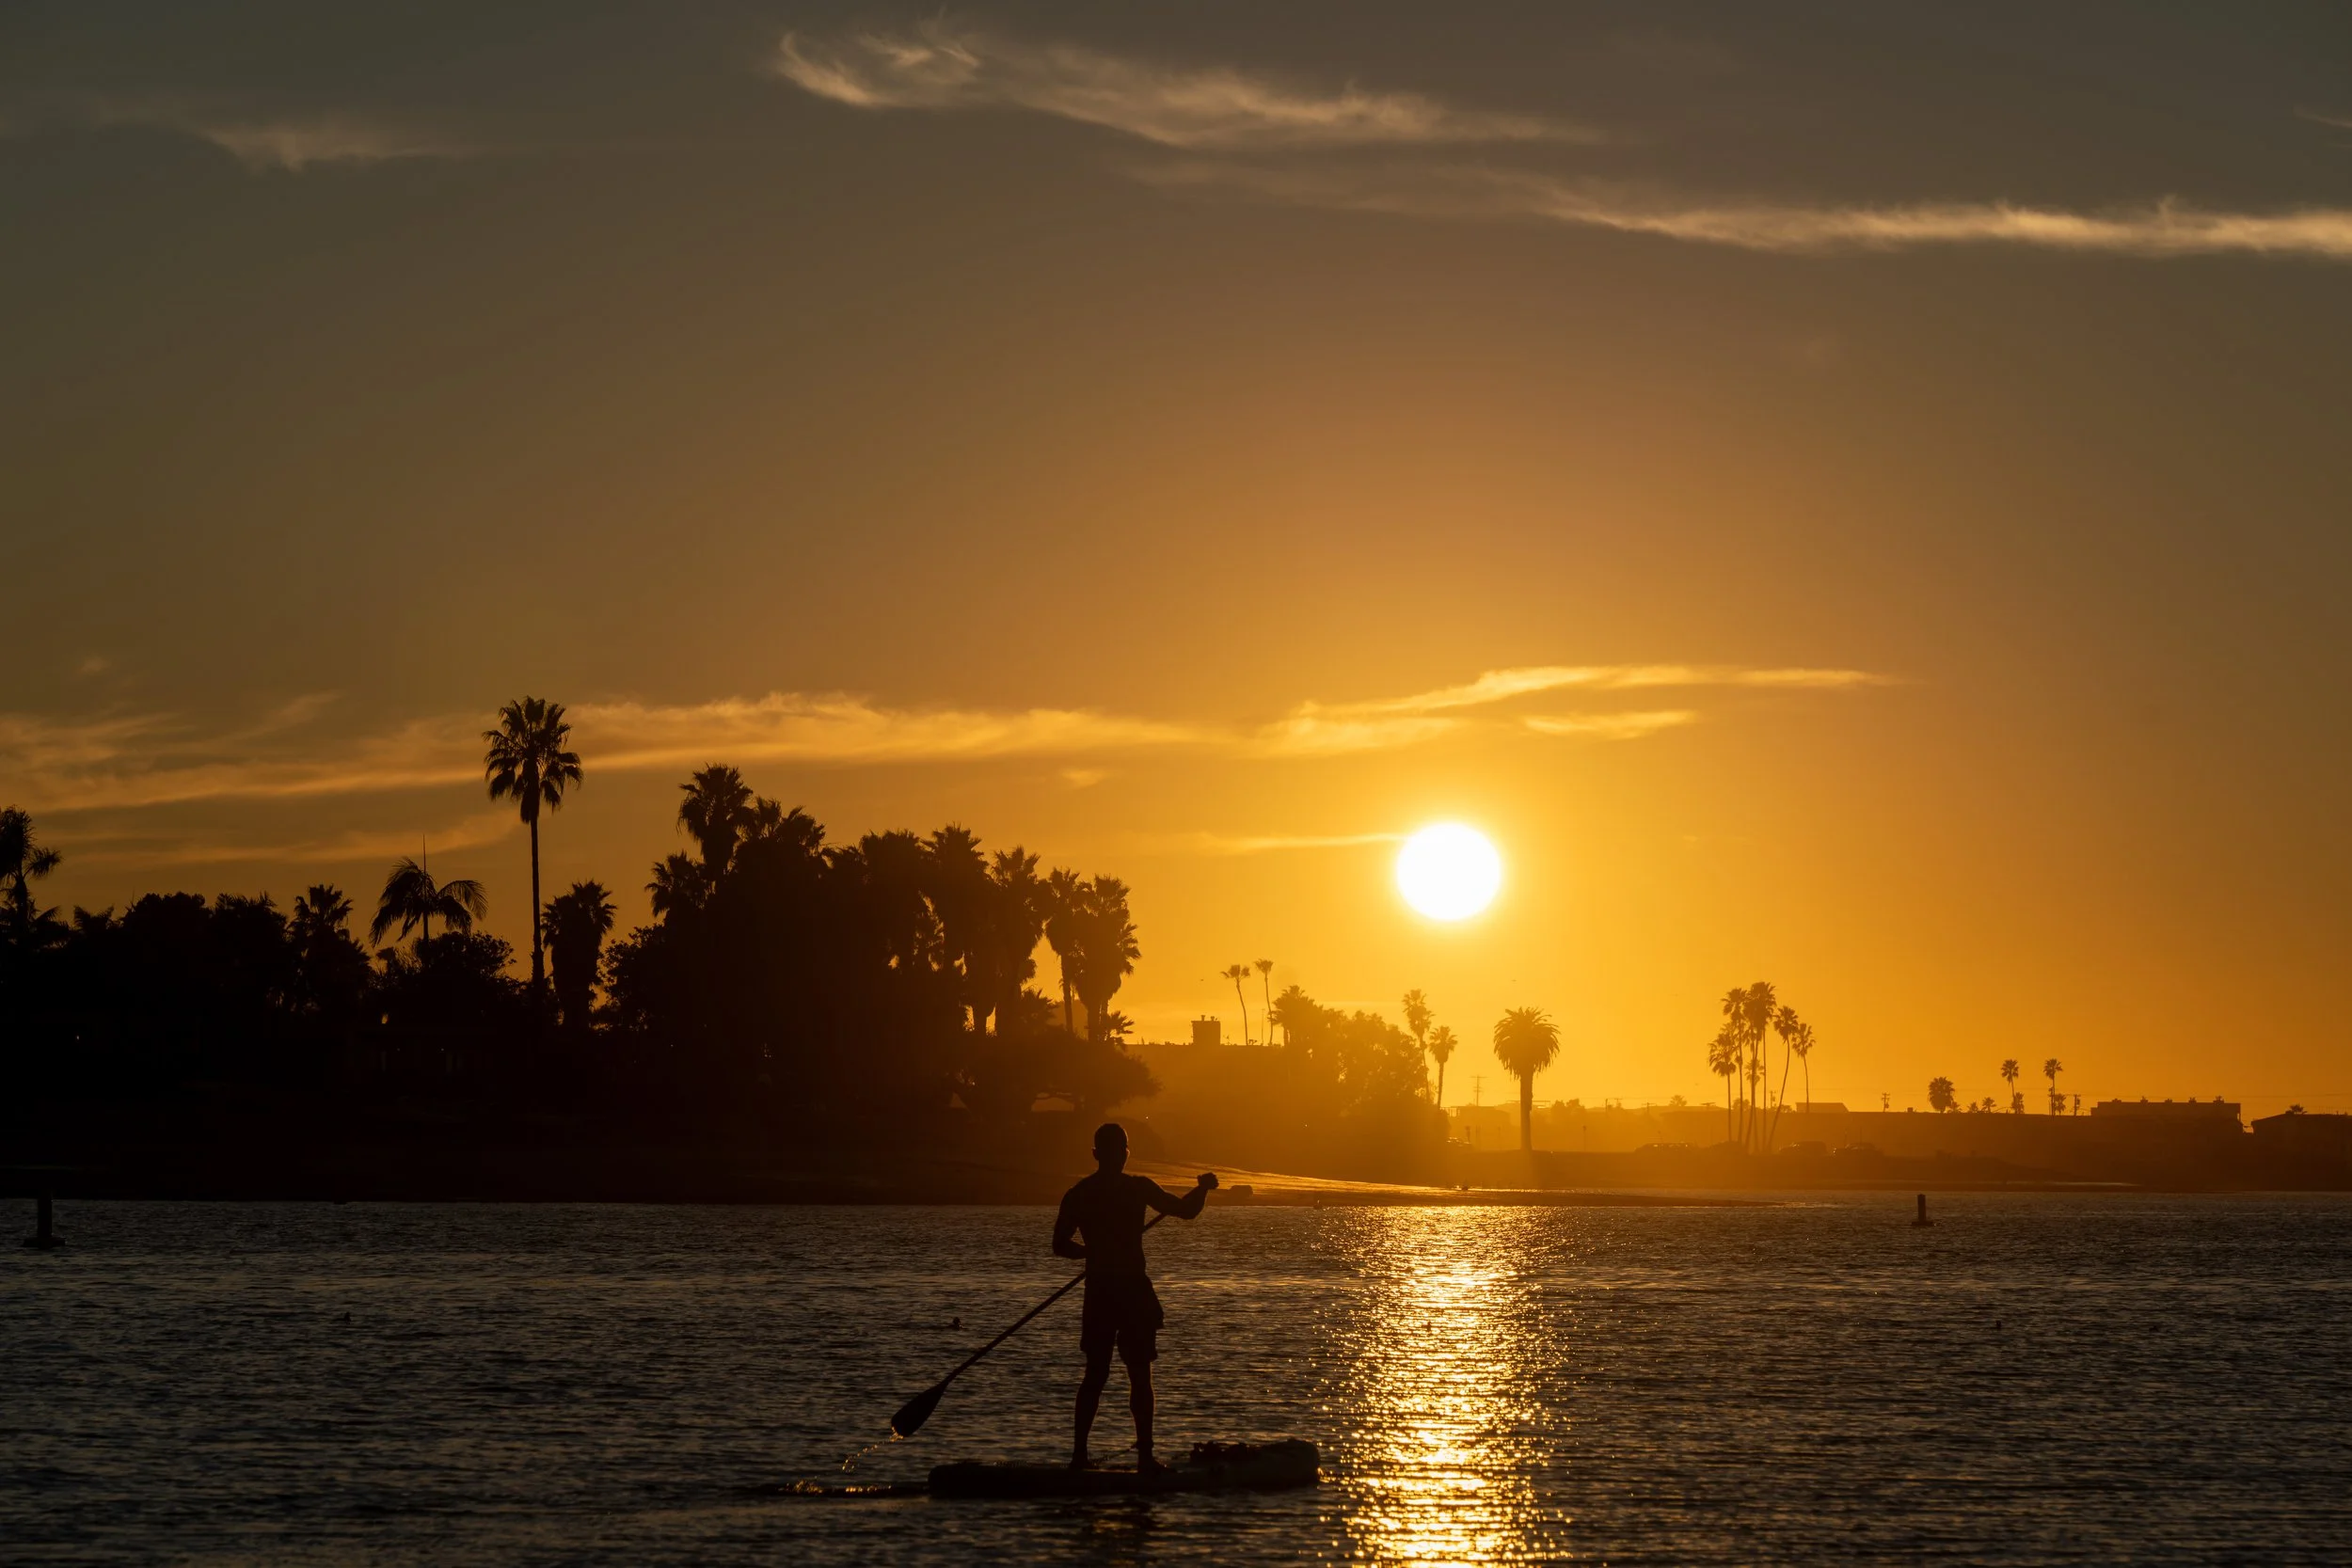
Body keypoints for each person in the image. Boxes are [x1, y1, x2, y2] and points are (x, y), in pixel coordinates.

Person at [1052, 1122, 1216, 1472]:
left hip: (1101, 1292)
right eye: (1118, 1151)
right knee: (1138, 1374)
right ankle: (1142, 1457)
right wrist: (1202, 1189)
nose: (1118, 1157)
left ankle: (1081, 1457)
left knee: (1096, 1374)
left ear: (1097, 1154)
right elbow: (1187, 1211)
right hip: (1128, 1292)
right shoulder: (1135, 1188)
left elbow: (1060, 1245)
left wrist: (1091, 1253)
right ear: (1122, 1154)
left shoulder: (1079, 1194)